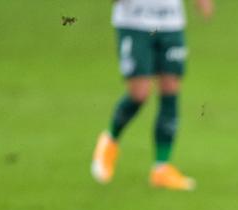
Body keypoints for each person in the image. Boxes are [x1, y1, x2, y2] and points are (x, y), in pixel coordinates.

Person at [91, 0, 214, 191]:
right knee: (139, 94)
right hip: (134, 23)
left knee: (170, 89)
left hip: (171, 23)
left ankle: (161, 168)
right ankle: (110, 140)